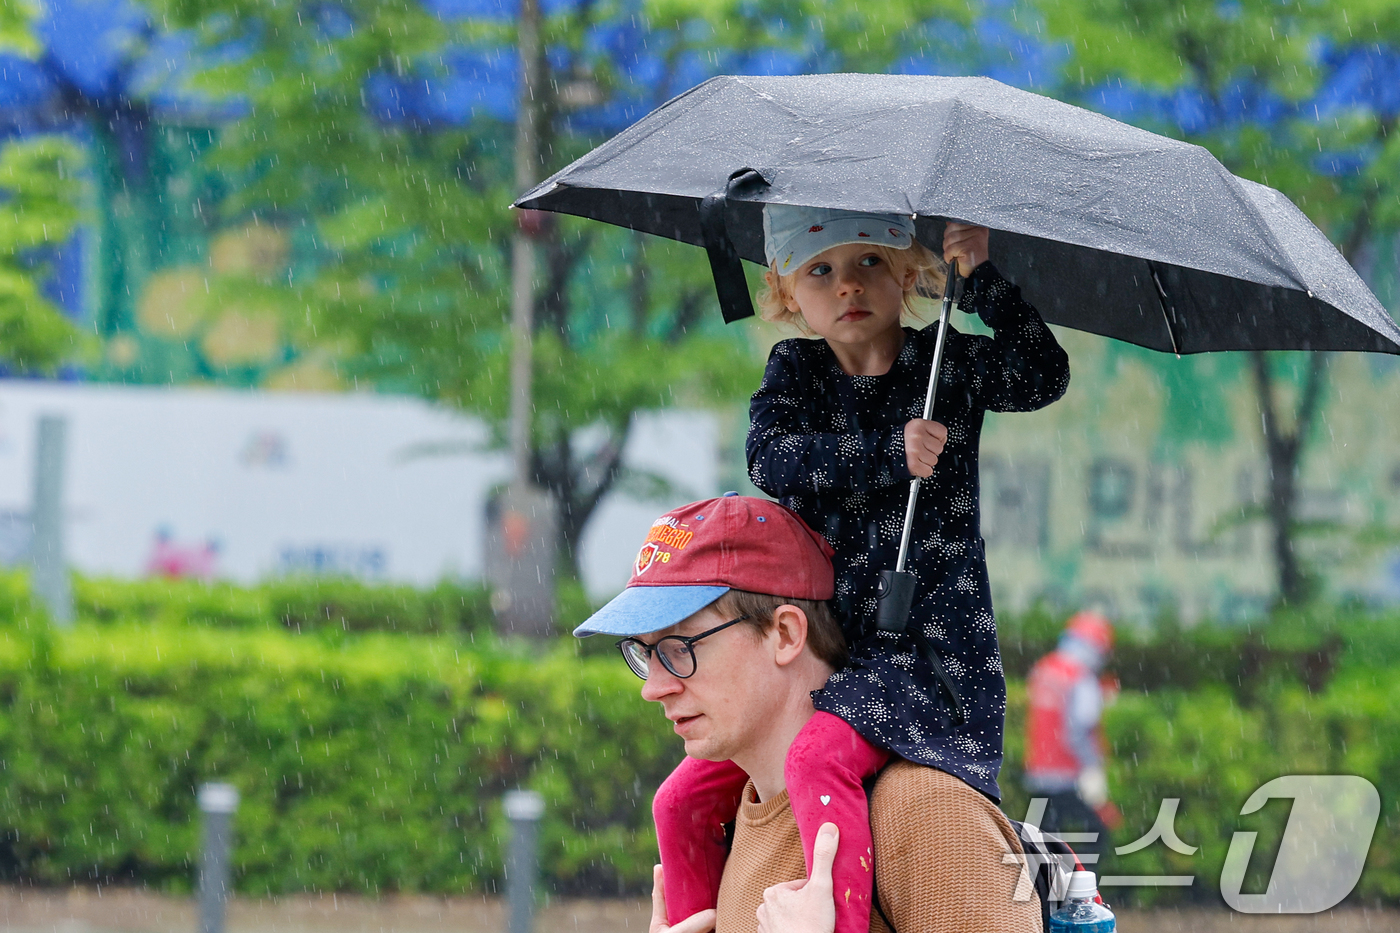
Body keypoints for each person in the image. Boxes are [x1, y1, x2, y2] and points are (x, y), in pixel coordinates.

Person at [650, 207, 1071, 933]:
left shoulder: (949, 366)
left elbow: (1043, 373)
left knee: (818, 758)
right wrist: (887, 452)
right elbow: (769, 460)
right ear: (788, 293)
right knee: (679, 800)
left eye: (869, 263)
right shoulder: (796, 372)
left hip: (925, 655)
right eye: (821, 270)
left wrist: (982, 281)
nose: (848, 285)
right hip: (830, 649)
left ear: (909, 273)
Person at [576, 493, 1040, 933]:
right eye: (646, 653)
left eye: (680, 648)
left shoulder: (925, 811)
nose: (653, 688)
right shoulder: (739, 819)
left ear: (784, 634)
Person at [1024, 610, 1118, 869]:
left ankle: (1047, 902)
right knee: (1096, 832)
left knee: (1044, 844)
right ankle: (1082, 899)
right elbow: (1080, 729)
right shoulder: (1080, 677)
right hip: (1068, 776)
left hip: (1038, 773)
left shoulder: (1045, 668)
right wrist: (1092, 767)